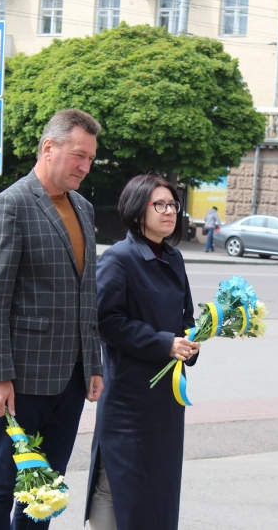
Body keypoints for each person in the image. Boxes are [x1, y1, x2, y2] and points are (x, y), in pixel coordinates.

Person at [0, 109, 105, 530]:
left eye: (90, 159)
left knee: (44, 490)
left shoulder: (83, 208)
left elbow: (88, 295)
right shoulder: (11, 205)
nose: (85, 167)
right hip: (22, 381)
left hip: (71, 381)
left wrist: (94, 364)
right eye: (78, 156)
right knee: (0, 484)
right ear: (49, 148)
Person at [85, 174, 201, 530]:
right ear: (138, 212)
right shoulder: (118, 259)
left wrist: (191, 341)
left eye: (173, 205)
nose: (170, 212)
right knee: (118, 483)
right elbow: (107, 321)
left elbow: (185, 316)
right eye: (159, 205)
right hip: (129, 397)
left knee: (160, 485)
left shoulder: (174, 258)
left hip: (167, 398)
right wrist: (164, 343)